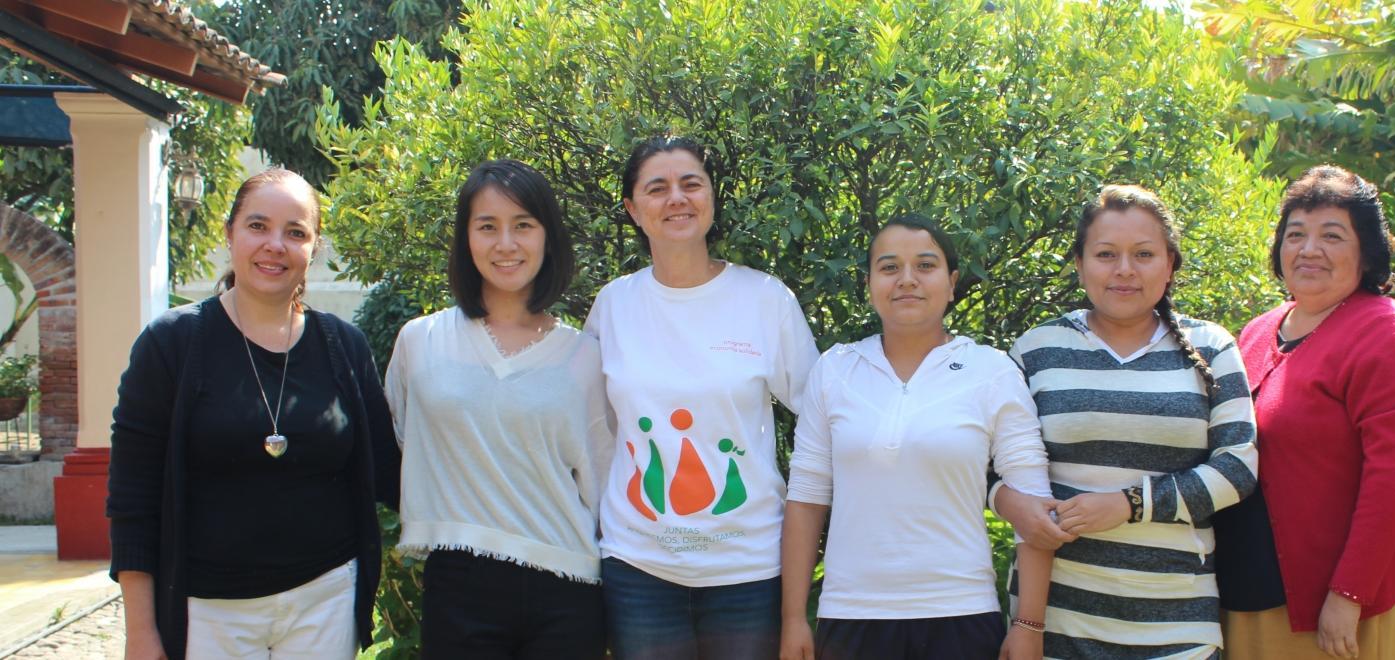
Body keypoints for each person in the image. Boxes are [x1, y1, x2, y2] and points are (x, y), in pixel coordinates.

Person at [108, 168, 400, 660]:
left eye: (296, 232)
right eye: (258, 226)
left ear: (314, 247)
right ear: (230, 233)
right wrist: (141, 632)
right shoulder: (170, 345)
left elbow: (391, 472)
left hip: (324, 602)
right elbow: (133, 501)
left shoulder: (343, 347)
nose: (275, 246)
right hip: (207, 612)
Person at [779, 214, 1058, 660]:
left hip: (962, 616)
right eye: (889, 267)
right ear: (870, 283)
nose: (906, 279)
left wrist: (1029, 624)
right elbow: (807, 496)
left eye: (925, 266)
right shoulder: (835, 370)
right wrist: (793, 618)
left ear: (950, 283)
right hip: (850, 616)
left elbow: (1035, 504)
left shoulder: (992, 371)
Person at [585, 135, 820, 659]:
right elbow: (596, 428)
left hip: (749, 571)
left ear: (711, 198)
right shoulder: (613, 305)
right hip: (639, 569)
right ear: (632, 209)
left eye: (691, 184)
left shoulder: (765, 299)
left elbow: (821, 421)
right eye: (657, 188)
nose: (677, 199)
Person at [1000, 184, 1259, 659]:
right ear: (1079, 264)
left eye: (1143, 254)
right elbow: (989, 467)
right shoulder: (1036, 350)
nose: (1124, 270)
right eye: (1105, 254)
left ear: (1170, 264)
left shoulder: (1212, 346)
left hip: (1178, 628)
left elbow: (1236, 468)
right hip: (1056, 622)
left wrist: (1130, 504)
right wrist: (1007, 501)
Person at [385, 160, 612, 658]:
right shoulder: (420, 343)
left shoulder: (586, 356)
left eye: (523, 225)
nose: (506, 244)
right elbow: (405, 439)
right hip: (458, 582)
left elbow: (603, 479)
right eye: (488, 226)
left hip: (566, 585)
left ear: (547, 237)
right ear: (466, 238)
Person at [1215, 165, 1395, 659]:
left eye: (1331, 235)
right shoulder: (1257, 331)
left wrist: (1349, 593)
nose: (1308, 249)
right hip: (1253, 587)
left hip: (1344, 604)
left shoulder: (1389, 336)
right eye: (1295, 234)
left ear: (1367, 251)